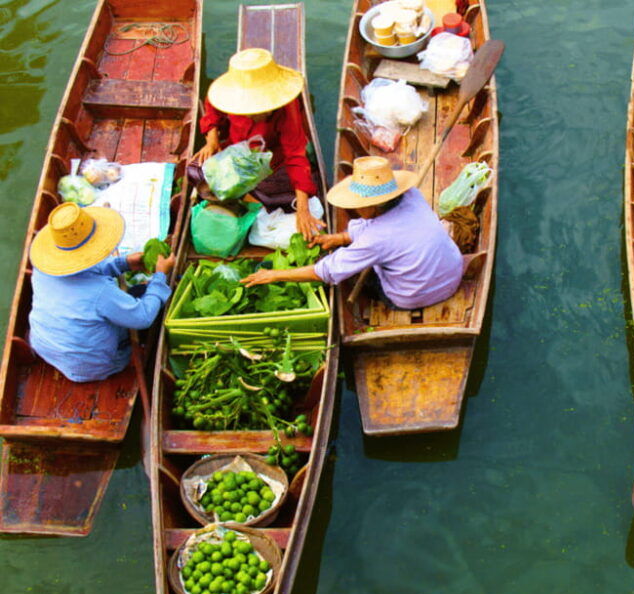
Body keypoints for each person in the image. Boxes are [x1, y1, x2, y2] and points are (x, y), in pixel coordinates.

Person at [241, 156, 464, 310]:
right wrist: (339, 238)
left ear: (373, 205)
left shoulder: (375, 239)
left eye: (358, 204)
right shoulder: (411, 196)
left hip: (412, 296)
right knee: (360, 250)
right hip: (455, 274)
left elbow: (327, 271)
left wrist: (272, 275)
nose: (355, 209)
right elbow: (384, 227)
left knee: (346, 276)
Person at [28, 202, 175, 382]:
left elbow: (80, 271)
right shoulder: (100, 292)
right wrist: (161, 275)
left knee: (125, 299)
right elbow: (142, 318)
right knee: (148, 295)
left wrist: (123, 264)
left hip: (43, 347)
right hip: (93, 367)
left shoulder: (43, 269)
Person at [189, 47, 324, 240]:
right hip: (238, 152)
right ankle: (251, 199)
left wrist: (303, 210)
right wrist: (212, 140)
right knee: (195, 173)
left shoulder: (287, 108)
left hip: (272, 161)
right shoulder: (230, 96)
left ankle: (255, 200)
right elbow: (212, 107)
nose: (262, 113)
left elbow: (295, 156)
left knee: (288, 189)